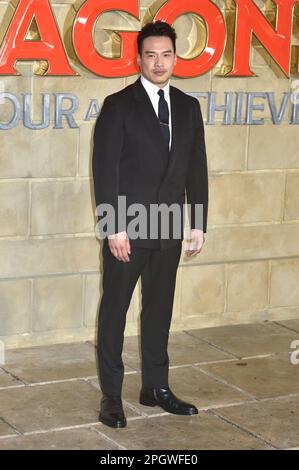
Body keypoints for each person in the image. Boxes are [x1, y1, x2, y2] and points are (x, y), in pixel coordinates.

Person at [92, 20, 209, 429]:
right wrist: (114, 226)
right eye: (151, 55)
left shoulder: (188, 106)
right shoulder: (118, 105)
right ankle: (111, 397)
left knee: (159, 311)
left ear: (175, 57)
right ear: (138, 58)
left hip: (170, 227)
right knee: (115, 312)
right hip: (128, 228)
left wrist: (198, 222)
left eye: (166, 55)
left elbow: (197, 168)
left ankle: (156, 388)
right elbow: (104, 170)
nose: (159, 63)